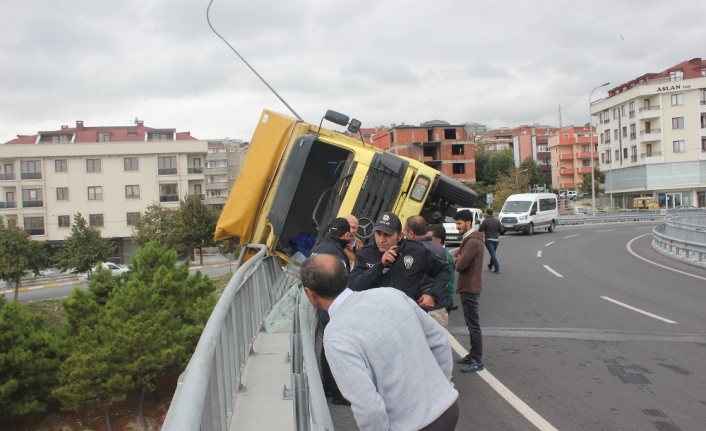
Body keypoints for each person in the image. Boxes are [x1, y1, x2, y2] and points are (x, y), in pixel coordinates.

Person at [301, 254, 459, 431]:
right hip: (448, 408)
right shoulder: (390, 294)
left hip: (413, 425)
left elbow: (368, 407)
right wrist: (440, 387)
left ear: (310, 293)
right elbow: (438, 338)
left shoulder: (336, 335)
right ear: (345, 276)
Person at [349, 212, 449, 310]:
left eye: (387, 235)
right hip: (375, 314)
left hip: (407, 315)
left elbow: (443, 270)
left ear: (400, 236)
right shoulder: (365, 253)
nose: (381, 240)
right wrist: (380, 266)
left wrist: (433, 295)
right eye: (378, 233)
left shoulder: (415, 250)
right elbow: (354, 285)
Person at [309, 217, 352, 405]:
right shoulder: (336, 253)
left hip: (318, 302)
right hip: (333, 305)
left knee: (327, 348)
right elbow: (343, 281)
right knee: (337, 348)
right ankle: (337, 392)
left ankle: (328, 387)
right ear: (344, 234)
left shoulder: (316, 247)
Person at [453, 209, 485, 373]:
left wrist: (459, 259)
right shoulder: (470, 239)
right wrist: (459, 258)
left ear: (468, 223)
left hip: (470, 287)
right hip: (469, 287)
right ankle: (472, 354)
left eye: (459, 223)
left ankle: (477, 360)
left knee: (473, 326)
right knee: (471, 324)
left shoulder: (472, 242)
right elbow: (456, 257)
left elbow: (459, 264)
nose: (456, 227)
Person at [404, 216, 448, 326]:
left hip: (420, 305)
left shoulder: (412, 250)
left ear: (411, 234)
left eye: (405, 231)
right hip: (438, 306)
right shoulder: (439, 248)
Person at [426, 224, 457, 318]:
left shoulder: (445, 257)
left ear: (438, 241)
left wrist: (443, 307)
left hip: (440, 305)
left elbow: (448, 285)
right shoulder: (432, 254)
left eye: (429, 239)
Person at [478, 208, 503, 274]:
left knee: (492, 254)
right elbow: (501, 230)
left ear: (487, 213)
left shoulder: (485, 221)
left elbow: (480, 230)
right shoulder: (497, 221)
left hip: (489, 239)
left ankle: (497, 268)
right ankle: (490, 265)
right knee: (493, 253)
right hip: (496, 240)